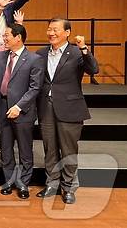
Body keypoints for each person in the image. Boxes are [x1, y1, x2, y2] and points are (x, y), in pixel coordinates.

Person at [35, 18, 99, 204]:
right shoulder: (41, 53)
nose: (51, 33)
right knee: (50, 149)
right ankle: (52, 184)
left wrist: (84, 48)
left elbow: (93, 69)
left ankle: (69, 187)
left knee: (69, 150)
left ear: (67, 32)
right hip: (46, 107)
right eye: (49, 29)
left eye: (55, 30)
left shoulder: (76, 52)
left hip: (70, 108)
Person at [0, 24, 43, 199]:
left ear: (18, 37)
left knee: (24, 149)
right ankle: (9, 180)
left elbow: (35, 87)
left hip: (23, 111)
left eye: (7, 35)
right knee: (5, 148)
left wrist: (18, 106)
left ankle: (23, 182)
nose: (4, 38)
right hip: (1, 108)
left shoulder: (34, 59)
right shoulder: (0, 57)